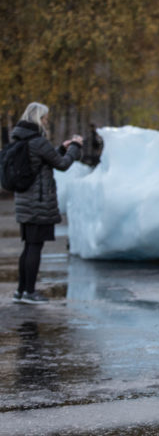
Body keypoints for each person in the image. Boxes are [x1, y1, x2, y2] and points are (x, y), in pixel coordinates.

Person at [12, 102, 82, 304]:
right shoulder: (38, 142)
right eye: (45, 118)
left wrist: (60, 148)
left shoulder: (21, 140)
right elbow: (62, 165)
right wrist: (75, 147)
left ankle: (21, 291)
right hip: (38, 203)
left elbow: (45, 160)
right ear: (38, 119)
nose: (47, 122)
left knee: (28, 246)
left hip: (25, 202)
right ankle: (30, 292)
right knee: (35, 247)